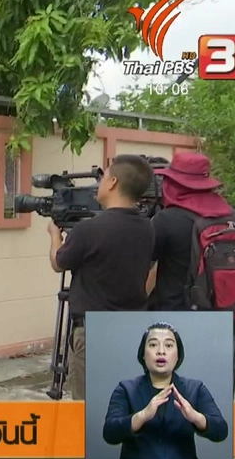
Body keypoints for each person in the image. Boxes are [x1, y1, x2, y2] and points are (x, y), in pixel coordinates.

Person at [48, 154, 155, 400]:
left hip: (93, 332)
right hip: (132, 329)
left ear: (113, 182)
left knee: (89, 408)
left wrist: (55, 236)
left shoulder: (88, 229)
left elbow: (58, 263)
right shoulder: (148, 228)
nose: (99, 183)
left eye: (104, 176)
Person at [102, 322, 228, 459]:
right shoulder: (126, 389)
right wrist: (142, 416)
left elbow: (221, 431)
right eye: (153, 345)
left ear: (178, 355)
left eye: (168, 345)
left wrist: (196, 417)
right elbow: (109, 433)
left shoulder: (195, 389)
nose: (161, 351)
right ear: (143, 354)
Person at [146, 152, 235, 310]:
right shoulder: (229, 214)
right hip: (223, 312)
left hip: (176, 313)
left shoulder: (167, 219)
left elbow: (142, 262)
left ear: (173, 183)